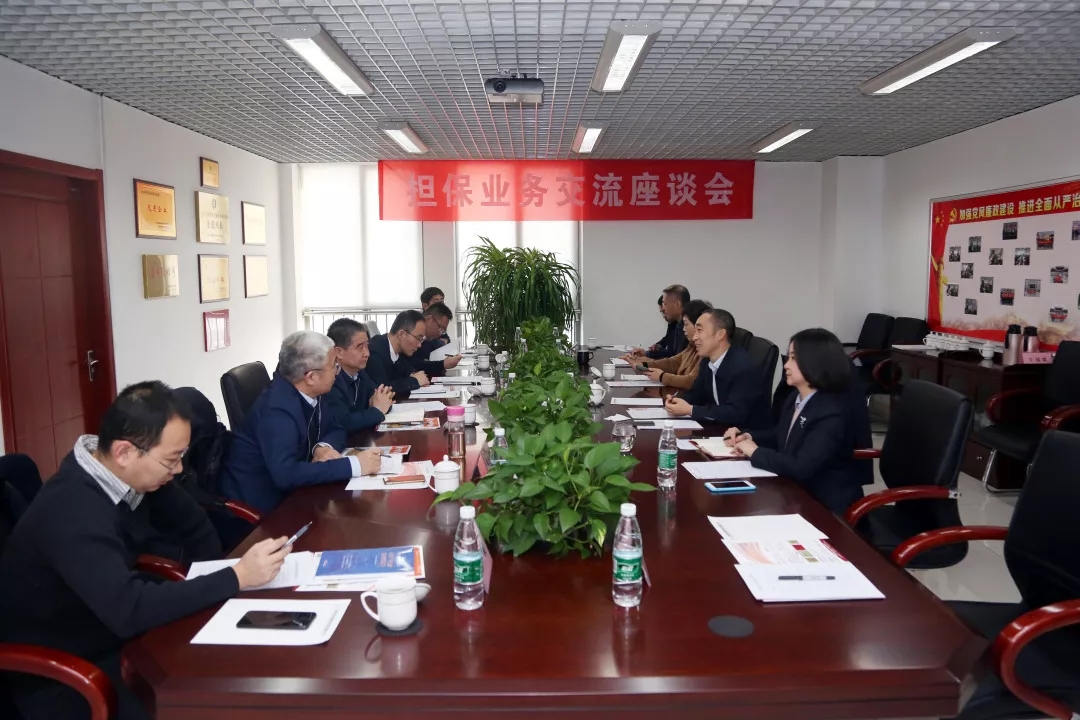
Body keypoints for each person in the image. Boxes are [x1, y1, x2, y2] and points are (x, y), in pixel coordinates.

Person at [0, 381, 291, 720]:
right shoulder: (72, 510)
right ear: (124, 452)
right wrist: (235, 577)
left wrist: (217, 584)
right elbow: (129, 610)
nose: (179, 469)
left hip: (112, 629)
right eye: (171, 459)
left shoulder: (128, 473)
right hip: (65, 670)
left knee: (232, 669)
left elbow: (195, 525)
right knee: (209, 702)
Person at [220, 331, 379, 514]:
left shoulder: (310, 392)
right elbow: (286, 474)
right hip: (265, 509)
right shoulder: (277, 411)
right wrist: (353, 466)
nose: (338, 371)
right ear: (311, 377)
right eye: (334, 366)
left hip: (298, 493)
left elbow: (336, 427)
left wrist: (321, 447)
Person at [723, 329, 869, 515]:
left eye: (793, 358)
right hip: (794, 490)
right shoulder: (796, 397)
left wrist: (755, 452)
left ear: (813, 362)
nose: (786, 365)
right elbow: (781, 436)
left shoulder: (831, 411)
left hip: (825, 505)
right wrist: (748, 437)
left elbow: (801, 467)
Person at [664, 308, 770, 428]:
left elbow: (735, 413)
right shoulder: (707, 362)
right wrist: (676, 401)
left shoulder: (743, 368)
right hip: (719, 429)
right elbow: (696, 395)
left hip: (744, 434)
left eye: (699, 330)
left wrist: (690, 410)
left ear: (720, 335)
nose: (694, 337)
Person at [623, 299, 711, 390]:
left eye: (686, 324)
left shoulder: (706, 351)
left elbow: (691, 381)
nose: (683, 329)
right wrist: (643, 365)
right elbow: (672, 363)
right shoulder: (692, 345)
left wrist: (662, 376)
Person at [325, 318, 394, 434]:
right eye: (360, 347)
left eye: (367, 346)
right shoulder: (330, 380)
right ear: (339, 352)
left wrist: (381, 402)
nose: (367, 353)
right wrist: (376, 410)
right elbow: (344, 423)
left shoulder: (360, 373)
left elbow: (382, 399)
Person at [366, 310, 431, 399]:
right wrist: (415, 381)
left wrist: (413, 374)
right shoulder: (375, 352)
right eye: (418, 338)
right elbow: (382, 389)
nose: (419, 345)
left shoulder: (397, 350)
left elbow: (406, 368)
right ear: (401, 334)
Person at [635, 285, 690, 359]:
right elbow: (673, 356)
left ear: (677, 304)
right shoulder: (678, 324)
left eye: (665, 304)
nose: (663, 308)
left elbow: (675, 359)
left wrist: (647, 359)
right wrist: (647, 356)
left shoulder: (689, 327)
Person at [413, 302, 462, 373]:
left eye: (443, 331)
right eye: (440, 328)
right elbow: (414, 365)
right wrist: (443, 364)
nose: (440, 334)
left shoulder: (425, 339)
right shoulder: (411, 333)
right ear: (429, 318)